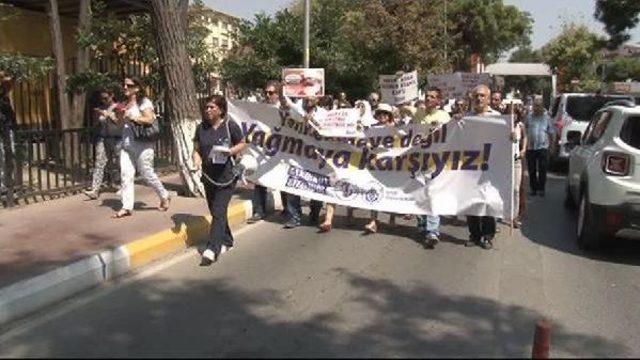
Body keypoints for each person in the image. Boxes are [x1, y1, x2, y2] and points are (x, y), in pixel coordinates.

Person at [193, 95, 247, 266]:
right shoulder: (201, 128)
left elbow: (243, 143)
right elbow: (196, 149)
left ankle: (212, 249)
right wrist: (196, 160)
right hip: (208, 176)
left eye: (212, 107)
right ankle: (228, 240)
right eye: (206, 107)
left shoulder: (230, 126)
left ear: (221, 110)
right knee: (217, 211)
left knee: (218, 210)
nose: (208, 110)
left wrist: (230, 152)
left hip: (226, 177)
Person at [113, 77, 170, 218]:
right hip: (127, 145)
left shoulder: (144, 102)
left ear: (137, 88)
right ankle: (126, 207)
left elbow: (149, 119)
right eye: (124, 85)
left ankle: (164, 195)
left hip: (143, 145)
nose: (125, 87)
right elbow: (120, 125)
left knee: (147, 174)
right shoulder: (124, 104)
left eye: (129, 85)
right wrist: (119, 116)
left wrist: (132, 117)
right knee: (126, 176)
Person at [413, 87, 451, 248]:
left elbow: (451, 136)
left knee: (433, 195)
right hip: (420, 161)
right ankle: (423, 224)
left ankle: (433, 231)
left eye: (432, 97)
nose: (428, 99)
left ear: (438, 100)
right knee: (420, 194)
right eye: (427, 96)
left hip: (437, 162)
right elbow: (412, 131)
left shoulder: (444, 116)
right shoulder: (419, 114)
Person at [465, 85, 501, 249]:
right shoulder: (467, 117)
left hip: (490, 165)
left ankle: (487, 235)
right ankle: (474, 234)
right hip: (470, 165)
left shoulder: (498, 117)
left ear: (488, 98)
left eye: (482, 96)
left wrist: (512, 136)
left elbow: (503, 140)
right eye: (476, 96)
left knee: (487, 201)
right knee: (470, 200)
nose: (478, 99)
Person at [281, 96, 325, 229]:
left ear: (317, 99)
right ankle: (294, 216)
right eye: (306, 95)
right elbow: (287, 111)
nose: (308, 98)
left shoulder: (322, 113)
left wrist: (313, 121)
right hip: (297, 153)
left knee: (316, 187)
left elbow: (325, 130)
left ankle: (315, 214)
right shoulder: (296, 108)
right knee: (293, 184)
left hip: (315, 155)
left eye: (312, 96)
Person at [248, 80, 287, 223]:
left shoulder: (285, 110)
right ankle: (259, 211)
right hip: (263, 150)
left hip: (282, 151)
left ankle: (288, 209)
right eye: (266, 92)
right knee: (259, 179)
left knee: (283, 179)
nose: (268, 95)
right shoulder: (262, 109)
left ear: (278, 94)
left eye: (271, 92)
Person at [364, 103, 397, 233]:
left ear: (389, 116)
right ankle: (373, 221)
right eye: (380, 113)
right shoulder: (373, 128)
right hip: (376, 164)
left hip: (393, 164)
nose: (382, 116)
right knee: (375, 190)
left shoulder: (397, 128)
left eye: (385, 113)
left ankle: (392, 217)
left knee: (392, 190)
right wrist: (371, 152)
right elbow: (368, 144)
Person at [84, 89, 122, 200]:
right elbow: (97, 124)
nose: (104, 100)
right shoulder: (101, 108)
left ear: (112, 96)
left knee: (119, 162)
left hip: (116, 139)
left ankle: (122, 185)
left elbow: (119, 122)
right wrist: (97, 116)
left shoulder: (118, 107)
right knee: (99, 162)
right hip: (103, 138)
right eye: (102, 98)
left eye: (106, 98)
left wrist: (107, 114)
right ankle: (95, 189)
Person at [525, 96, 555, 197]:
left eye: (539, 106)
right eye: (535, 106)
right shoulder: (529, 117)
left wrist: (552, 147)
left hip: (543, 147)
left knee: (542, 169)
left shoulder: (547, 118)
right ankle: (533, 189)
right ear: (533, 106)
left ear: (542, 106)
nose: (537, 108)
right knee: (532, 169)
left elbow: (551, 133)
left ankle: (541, 189)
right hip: (531, 147)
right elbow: (525, 130)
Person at [0, 71, 16, 195]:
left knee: (9, 156)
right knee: (1, 157)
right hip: (2, 131)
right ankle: (2, 186)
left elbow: (10, 115)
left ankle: (9, 183)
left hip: (7, 129)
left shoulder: (6, 97)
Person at [511, 105, 528, 227]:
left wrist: (523, 149)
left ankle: (514, 217)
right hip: (504, 161)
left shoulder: (520, 126)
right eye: (510, 113)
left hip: (516, 161)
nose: (513, 116)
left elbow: (525, 136)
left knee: (516, 189)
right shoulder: (503, 126)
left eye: (515, 113)